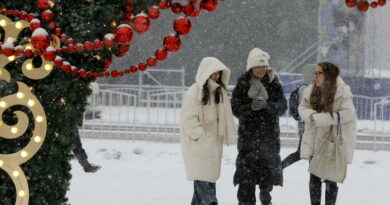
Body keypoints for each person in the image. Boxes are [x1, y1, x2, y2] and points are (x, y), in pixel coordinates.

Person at [231, 48, 287, 205]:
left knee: (266, 178)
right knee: (246, 181)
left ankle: (265, 196)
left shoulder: (274, 83)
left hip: (269, 138)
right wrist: (250, 108)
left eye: (264, 67)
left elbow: (282, 107)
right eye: (257, 67)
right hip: (248, 140)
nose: (261, 70)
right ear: (251, 68)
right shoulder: (242, 84)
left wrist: (267, 105)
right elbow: (235, 108)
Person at [298, 62, 356, 205]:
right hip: (314, 140)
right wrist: (311, 116)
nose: (315, 76)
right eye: (315, 73)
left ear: (328, 75)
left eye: (319, 73)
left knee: (331, 179)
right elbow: (302, 107)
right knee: (314, 178)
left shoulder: (341, 91)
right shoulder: (311, 89)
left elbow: (349, 114)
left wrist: (323, 119)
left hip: (331, 142)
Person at [180, 57, 236, 205]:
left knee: (206, 182)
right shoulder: (195, 92)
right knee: (204, 185)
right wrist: (201, 137)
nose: (216, 76)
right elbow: (188, 118)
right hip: (199, 145)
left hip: (212, 146)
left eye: (218, 73)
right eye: (213, 73)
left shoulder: (218, 93)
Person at [282, 64, 316, 169]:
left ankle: (317, 177)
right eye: (316, 73)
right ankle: (277, 169)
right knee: (304, 153)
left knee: (310, 153)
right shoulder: (307, 90)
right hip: (308, 126)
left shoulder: (303, 88)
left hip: (306, 125)